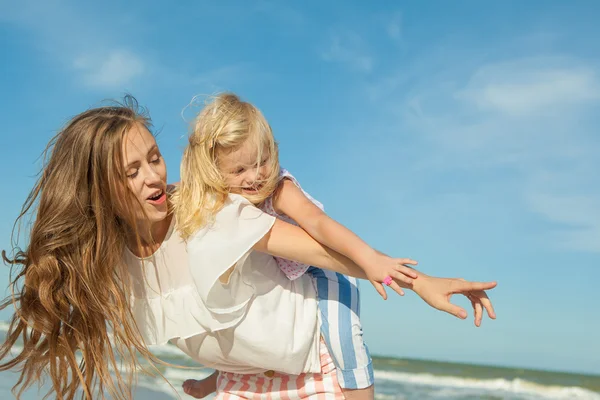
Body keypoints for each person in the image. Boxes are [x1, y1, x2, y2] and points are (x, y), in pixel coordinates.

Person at [0, 96, 496, 400]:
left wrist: (422, 281)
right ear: (97, 189)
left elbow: (325, 251)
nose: (153, 176)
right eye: (131, 171)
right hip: (249, 380)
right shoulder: (106, 264)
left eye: (153, 158)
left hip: (312, 359)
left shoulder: (208, 215)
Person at [173, 93, 497, 399]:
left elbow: (317, 223)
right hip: (285, 277)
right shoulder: (219, 202)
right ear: (213, 170)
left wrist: (370, 261)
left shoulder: (278, 188)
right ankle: (217, 376)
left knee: (345, 338)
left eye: (263, 160)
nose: (256, 176)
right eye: (240, 169)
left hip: (321, 272)